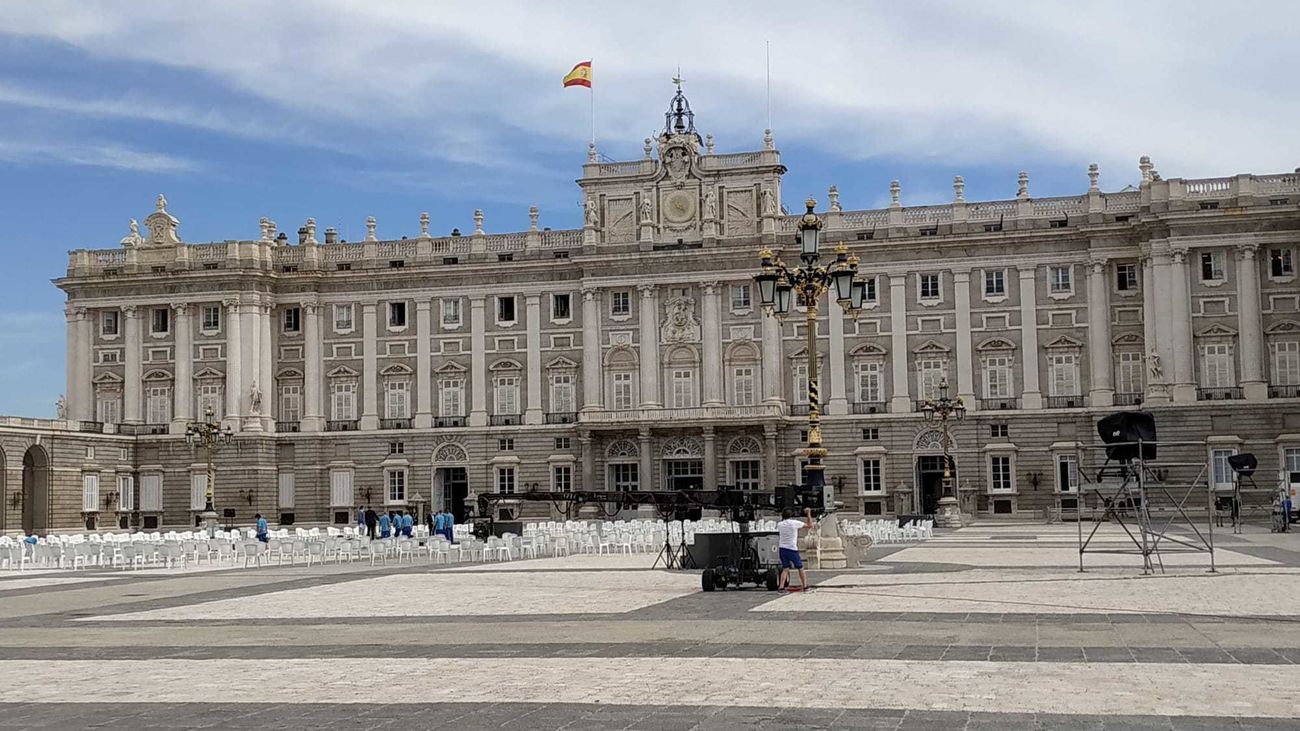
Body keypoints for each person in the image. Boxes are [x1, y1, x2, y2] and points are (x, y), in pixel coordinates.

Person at [776, 507, 814, 592]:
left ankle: (781, 587)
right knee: (800, 567)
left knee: (785, 568)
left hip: (782, 548)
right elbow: (809, 525)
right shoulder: (794, 523)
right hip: (792, 548)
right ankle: (805, 586)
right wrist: (808, 514)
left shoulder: (780, 524)